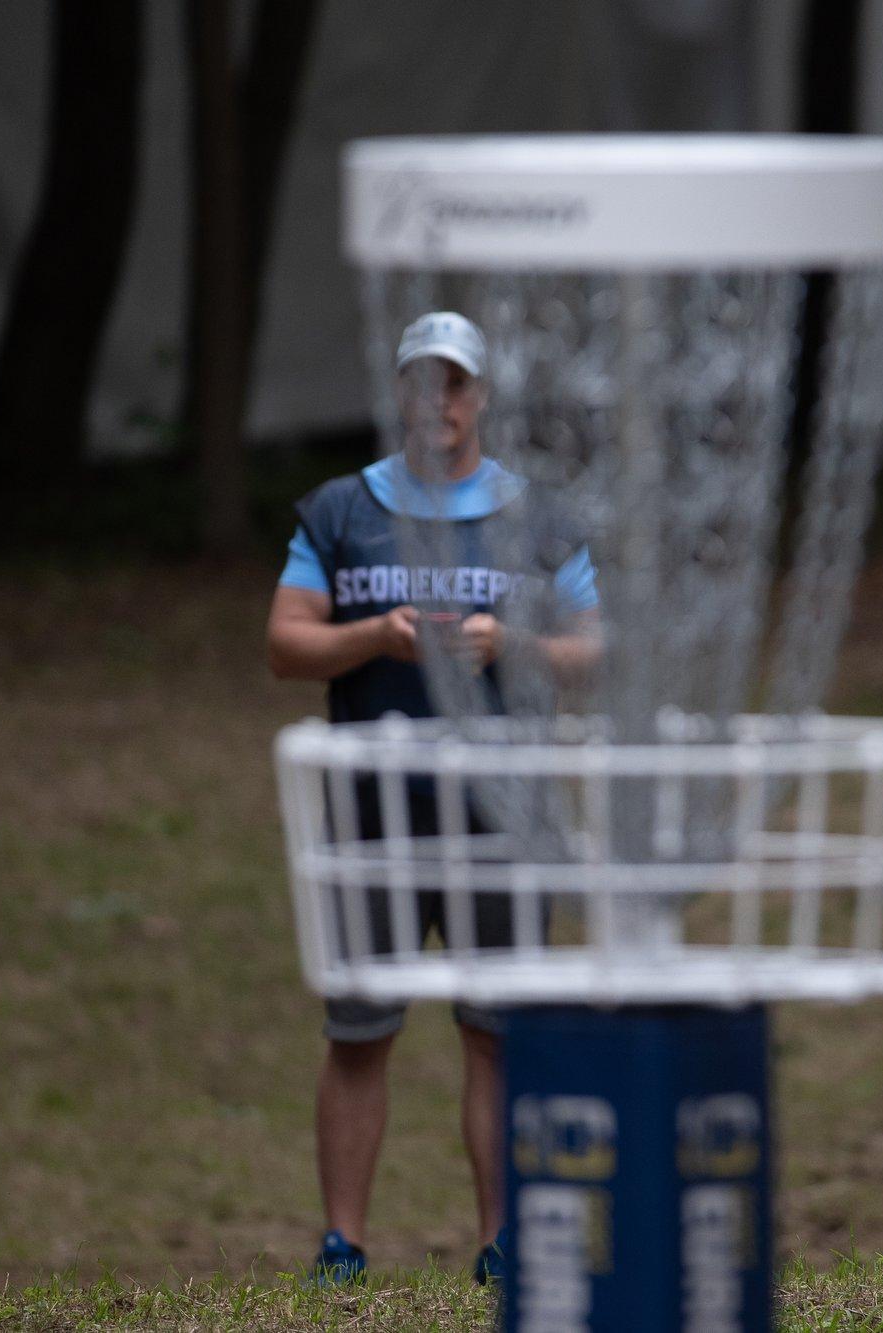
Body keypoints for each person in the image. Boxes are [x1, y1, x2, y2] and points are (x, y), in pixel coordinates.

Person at [266, 311, 599, 1285]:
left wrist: (512, 646)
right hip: (372, 814)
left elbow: (595, 650)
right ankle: (342, 1244)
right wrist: (376, 636)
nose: (438, 402)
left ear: (480, 396)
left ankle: (503, 1243)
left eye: (455, 383)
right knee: (358, 1032)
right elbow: (285, 642)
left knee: (497, 1030)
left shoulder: (541, 517)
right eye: (421, 381)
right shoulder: (341, 510)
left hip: (505, 816)